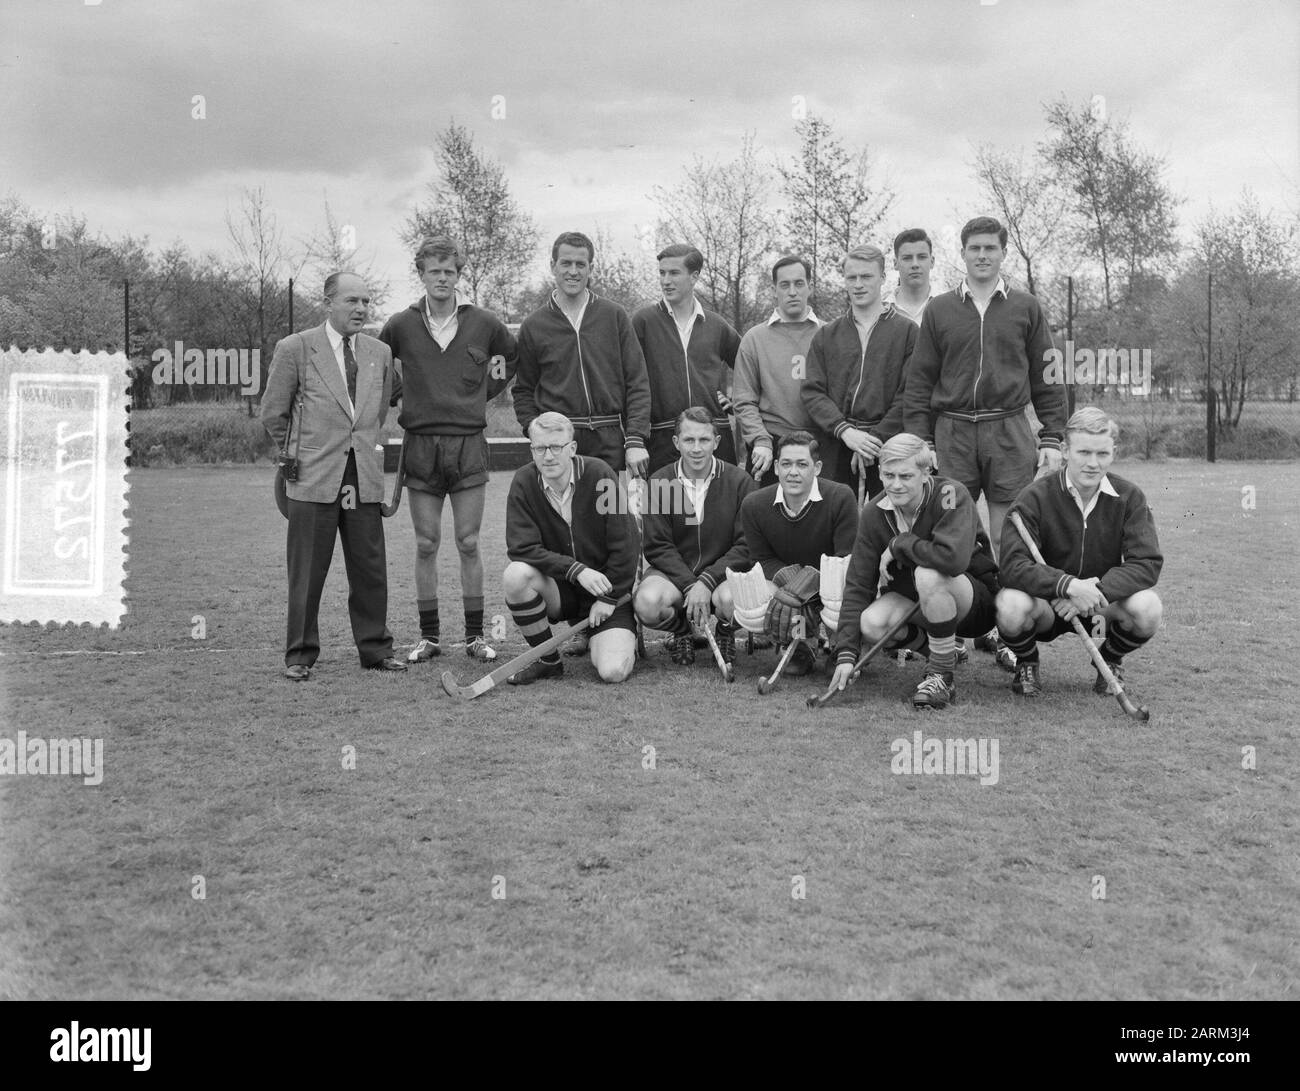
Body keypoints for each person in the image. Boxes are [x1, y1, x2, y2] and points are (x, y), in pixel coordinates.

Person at [902, 215, 1068, 667]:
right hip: (952, 431)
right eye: (974, 248)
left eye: (990, 248)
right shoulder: (939, 309)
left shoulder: (1025, 306)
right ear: (963, 252)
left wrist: (1052, 436)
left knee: (1008, 534)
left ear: (1002, 253)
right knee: (952, 533)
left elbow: (1048, 377)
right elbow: (919, 381)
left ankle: (1007, 635)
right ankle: (952, 628)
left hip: (1009, 430)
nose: (981, 256)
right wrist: (920, 439)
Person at [378, 236, 517, 665]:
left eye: (450, 271)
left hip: (468, 445)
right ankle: (429, 636)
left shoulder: (485, 322)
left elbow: (510, 360)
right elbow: (379, 365)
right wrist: (402, 396)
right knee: (425, 543)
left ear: (459, 275)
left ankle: (475, 637)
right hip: (419, 445)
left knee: (470, 540)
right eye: (434, 271)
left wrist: (480, 393)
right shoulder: (400, 324)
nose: (442, 278)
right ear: (420, 274)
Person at [261, 272, 406, 680]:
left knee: (370, 567)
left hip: (363, 476)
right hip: (311, 477)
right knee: (307, 570)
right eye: (351, 301)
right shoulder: (295, 348)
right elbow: (273, 412)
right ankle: (300, 655)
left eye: (366, 301)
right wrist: (299, 452)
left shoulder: (379, 351)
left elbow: (375, 414)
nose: (361, 309)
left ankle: (376, 650)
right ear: (328, 303)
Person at [995, 407, 1163, 698]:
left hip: (1099, 615)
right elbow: (1011, 565)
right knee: (1009, 604)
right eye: (1083, 453)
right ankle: (1027, 661)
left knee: (1148, 608)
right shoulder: (1034, 497)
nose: (1093, 464)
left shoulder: (1130, 497)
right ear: (1064, 450)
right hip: (1048, 610)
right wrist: (1066, 586)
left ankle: (1109, 661)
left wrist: (1095, 591)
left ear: (1114, 452)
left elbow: (1146, 562)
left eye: (1102, 454)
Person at [827, 433, 999, 710]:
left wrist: (900, 543)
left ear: (925, 472)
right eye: (888, 475)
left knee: (928, 574)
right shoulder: (873, 513)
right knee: (871, 621)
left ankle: (941, 677)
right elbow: (858, 584)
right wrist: (846, 653)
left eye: (906, 476)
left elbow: (952, 560)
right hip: (920, 604)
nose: (895, 485)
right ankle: (940, 651)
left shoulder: (949, 495)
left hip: (974, 603)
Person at [501, 412, 639, 685]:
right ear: (532, 449)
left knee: (613, 671)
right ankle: (548, 661)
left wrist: (609, 598)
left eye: (556, 447)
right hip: (561, 590)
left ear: (572, 448)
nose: (548, 456)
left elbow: (627, 544)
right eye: (540, 448)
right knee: (515, 575)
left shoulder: (600, 474)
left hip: (608, 592)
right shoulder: (524, 481)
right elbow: (521, 547)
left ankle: (605, 637)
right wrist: (576, 570)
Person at [512, 231, 651, 477]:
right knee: (560, 514)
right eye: (566, 263)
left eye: (580, 264)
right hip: (558, 443)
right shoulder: (534, 325)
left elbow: (637, 382)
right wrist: (534, 430)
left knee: (612, 512)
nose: (573, 271)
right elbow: (523, 390)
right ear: (553, 266)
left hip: (611, 440)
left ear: (591, 268)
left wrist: (635, 439)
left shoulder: (614, 316)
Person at [635, 408, 757, 665]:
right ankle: (682, 632)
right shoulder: (659, 481)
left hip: (724, 577)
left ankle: (724, 631)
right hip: (675, 578)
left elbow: (746, 545)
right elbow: (657, 546)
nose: (697, 448)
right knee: (647, 603)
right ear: (676, 443)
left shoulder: (739, 481)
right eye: (689, 440)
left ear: (717, 442)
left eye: (704, 440)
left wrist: (708, 580)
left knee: (735, 600)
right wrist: (691, 584)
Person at [737, 431, 858, 676]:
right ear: (776, 467)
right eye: (786, 464)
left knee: (839, 593)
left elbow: (845, 557)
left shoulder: (840, 496)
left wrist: (808, 584)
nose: (793, 472)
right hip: (788, 587)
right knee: (768, 600)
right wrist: (794, 586)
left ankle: (841, 647)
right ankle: (801, 645)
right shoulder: (753, 504)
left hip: (831, 581)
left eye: (802, 464)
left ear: (818, 468)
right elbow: (760, 559)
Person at [803, 244, 916, 497]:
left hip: (888, 446)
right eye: (851, 277)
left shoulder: (907, 332)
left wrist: (873, 441)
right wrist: (846, 432)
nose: (858, 284)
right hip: (837, 443)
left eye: (866, 276)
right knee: (837, 525)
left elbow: (909, 394)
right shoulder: (827, 335)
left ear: (883, 279)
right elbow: (812, 392)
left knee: (889, 525)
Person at [632, 244, 741, 473]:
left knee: (718, 506)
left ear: (694, 277)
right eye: (662, 273)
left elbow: (748, 365)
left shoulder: (716, 325)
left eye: (674, 273)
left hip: (713, 437)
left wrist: (735, 400)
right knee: (668, 507)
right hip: (663, 438)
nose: (665, 280)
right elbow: (627, 378)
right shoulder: (644, 322)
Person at [733, 254, 823, 487]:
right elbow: (743, 400)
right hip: (772, 443)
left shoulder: (829, 334)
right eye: (785, 285)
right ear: (774, 290)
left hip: (822, 442)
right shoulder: (755, 338)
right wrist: (760, 440)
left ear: (809, 287)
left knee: (821, 519)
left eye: (799, 283)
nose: (792, 291)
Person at [890, 228, 938, 324]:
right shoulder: (881, 310)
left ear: (932, 261)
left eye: (922, 257)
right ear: (895, 264)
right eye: (907, 258)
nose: (915, 264)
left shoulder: (950, 306)